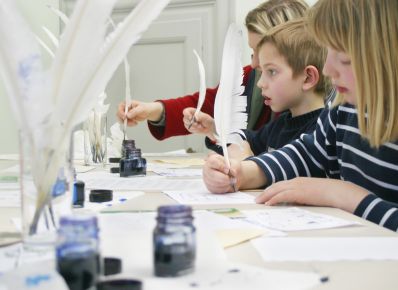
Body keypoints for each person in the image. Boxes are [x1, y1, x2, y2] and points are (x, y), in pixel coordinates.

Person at [202, 0, 398, 232]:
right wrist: (243, 172)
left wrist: (345, 196)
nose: (327, 69)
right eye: (328, 52)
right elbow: (305, 154)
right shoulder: (344, 108)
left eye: (344, 56)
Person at [117, 0, 309, 141]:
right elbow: (208, 102)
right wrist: (153, 110)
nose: (254, 63)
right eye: (252, 52)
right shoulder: (251, 76)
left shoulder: (318, 113)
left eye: (262, 53)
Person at [183, 18, 328, 160]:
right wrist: (215, 129)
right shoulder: (282, 123)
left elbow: (285, 178)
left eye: (271, 71)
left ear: (308, 78)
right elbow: (251, 139)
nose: (260, 83)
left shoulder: (321, 132)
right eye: (261, 72)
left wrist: (248, 162)